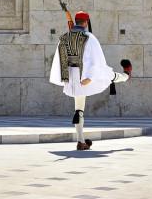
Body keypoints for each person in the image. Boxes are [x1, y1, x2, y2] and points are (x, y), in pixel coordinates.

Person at [49, 11, 132, 150]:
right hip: (85, 76)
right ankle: (126, 75)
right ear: (86, 23)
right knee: (108, 75)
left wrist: (65, 78)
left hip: (71, 77)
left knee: (79, 109)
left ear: (76, 21)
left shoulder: (64, 37)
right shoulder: (89, 37)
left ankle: (81, 141)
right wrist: (90, 78)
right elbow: (97, 61)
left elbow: (60, 59)